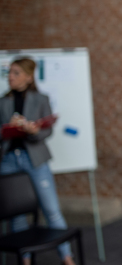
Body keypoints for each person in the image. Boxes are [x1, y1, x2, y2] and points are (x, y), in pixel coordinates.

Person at [0, 57, 76, 265]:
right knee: (17, 215)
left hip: (35, 158)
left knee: (51, 209)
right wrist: (10, 127)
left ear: (28, 76)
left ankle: (67, 258)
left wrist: (32, 131)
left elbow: (47, 130)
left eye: (16, 73)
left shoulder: (41, 99)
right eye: (10, 73)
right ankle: (24, 261)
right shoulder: (3, 101)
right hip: (8, 160)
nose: (11, 77)